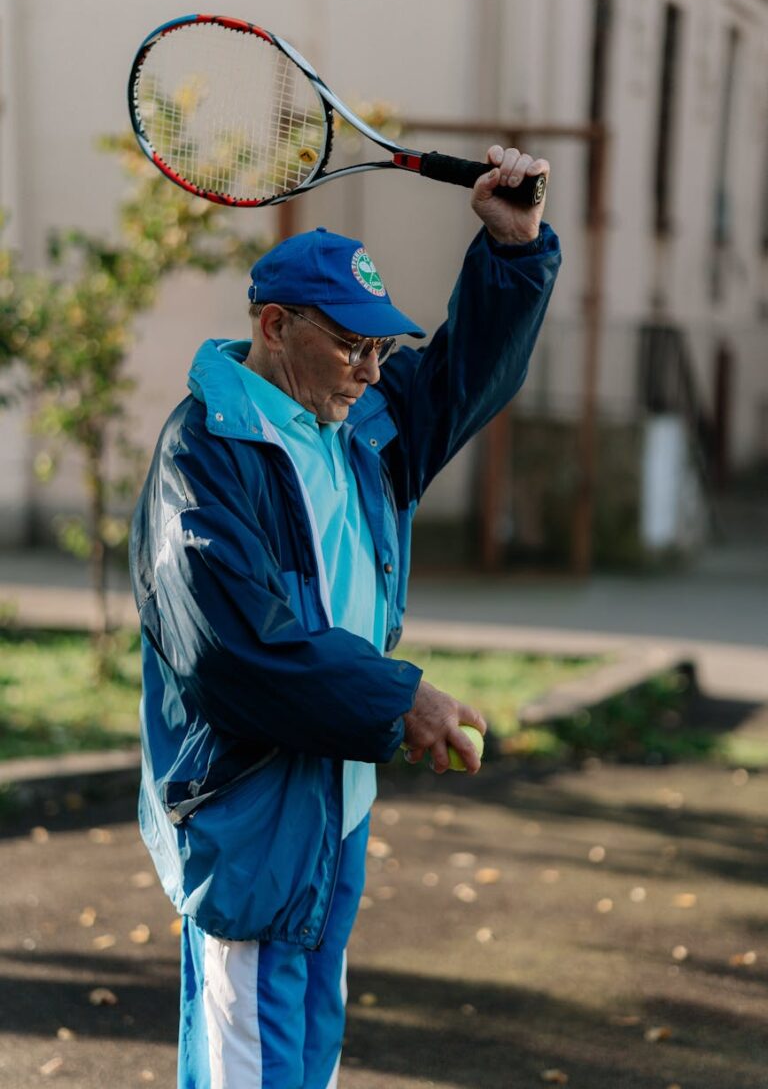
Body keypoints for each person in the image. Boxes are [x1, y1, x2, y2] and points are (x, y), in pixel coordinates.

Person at [129, 144, 561, 1089]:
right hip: (250, 809)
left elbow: (460, 379)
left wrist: (514, 251)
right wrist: (401, 697)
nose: (372, 370)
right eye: (351, 345)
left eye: (381, 349)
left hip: (336, 794)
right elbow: (235, 647)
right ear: (275, 327)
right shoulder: (204, 455)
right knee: (252, 1062)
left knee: (310, 1054)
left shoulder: (356, 424)